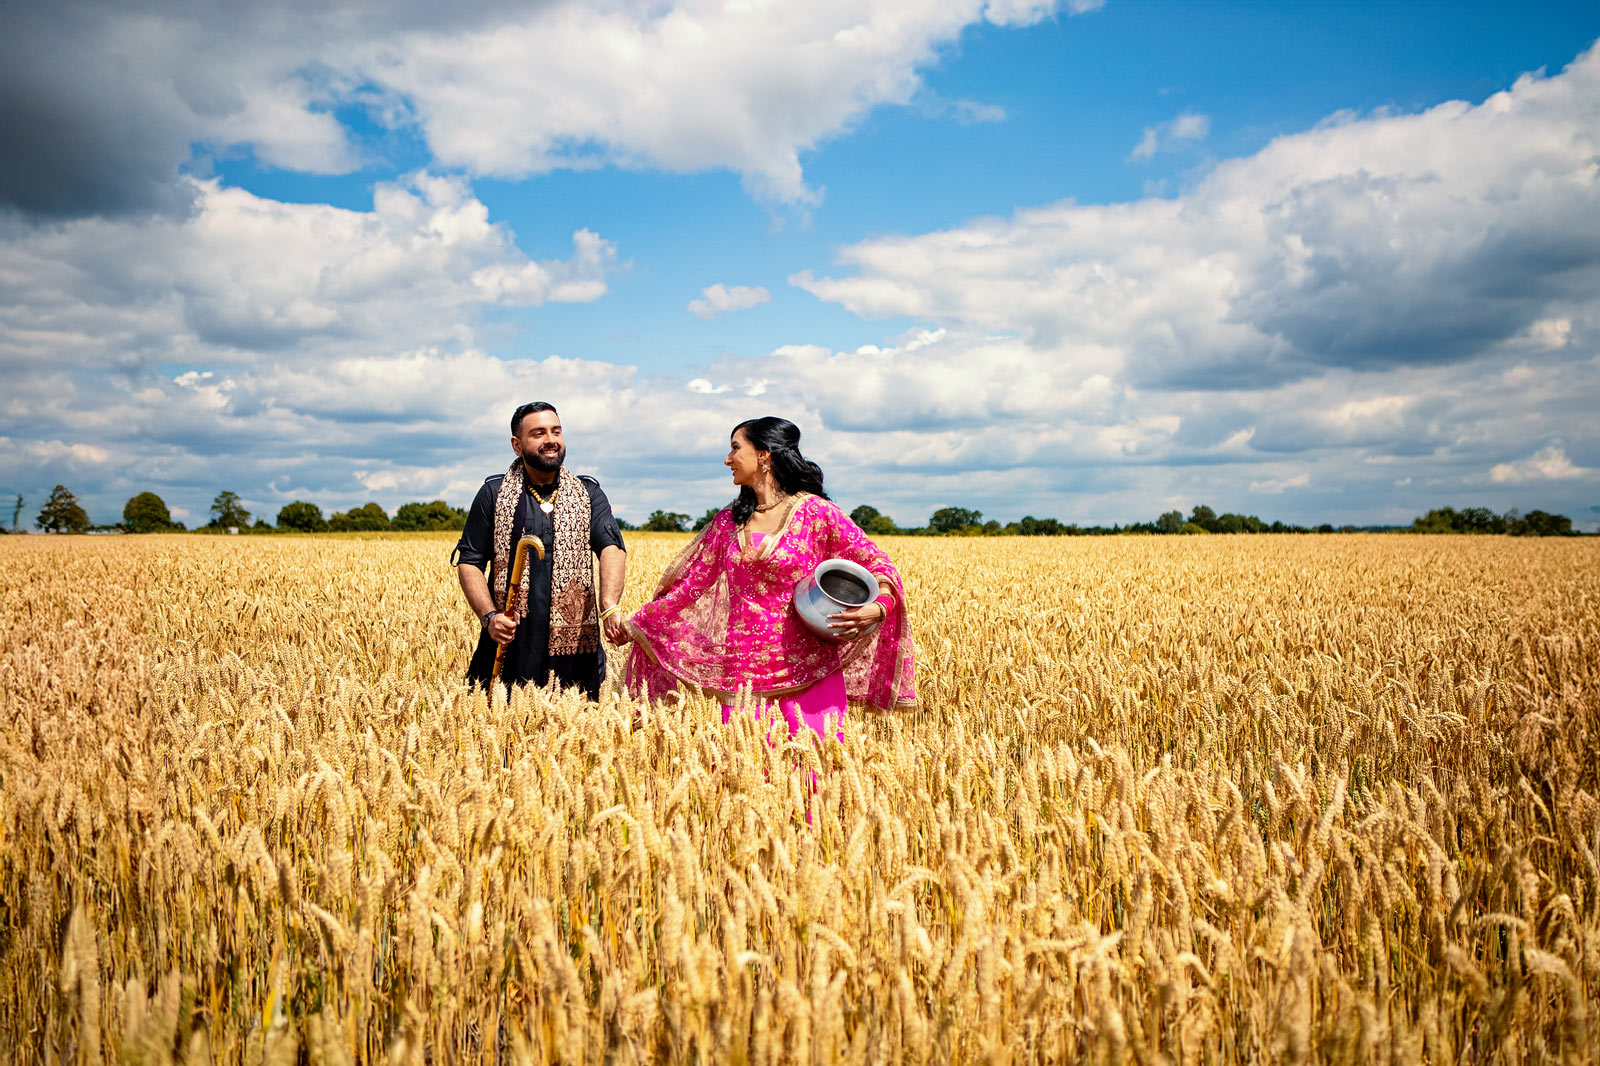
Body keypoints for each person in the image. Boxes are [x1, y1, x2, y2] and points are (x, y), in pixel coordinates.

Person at [622, 416, 915, 736]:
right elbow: (689, 588)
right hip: (744, 679)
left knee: (813, 774)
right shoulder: (728, 522)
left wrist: (879, 607)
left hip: (810, 672)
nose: (727, 459)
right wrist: (640, 623)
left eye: (735, 448)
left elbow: (878, 563)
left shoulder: (816, 513)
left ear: (764, 455)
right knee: (746, 772)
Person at [454, 402, 629, 698]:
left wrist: (609, 604)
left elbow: (611, 546)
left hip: (575, 652)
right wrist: (489, 617)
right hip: (510, 645)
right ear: (517, 445)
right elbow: (469, 561)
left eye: (556, 431)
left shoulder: (587, 493)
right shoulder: (494, 494)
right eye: (538, 433)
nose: (550, 439)